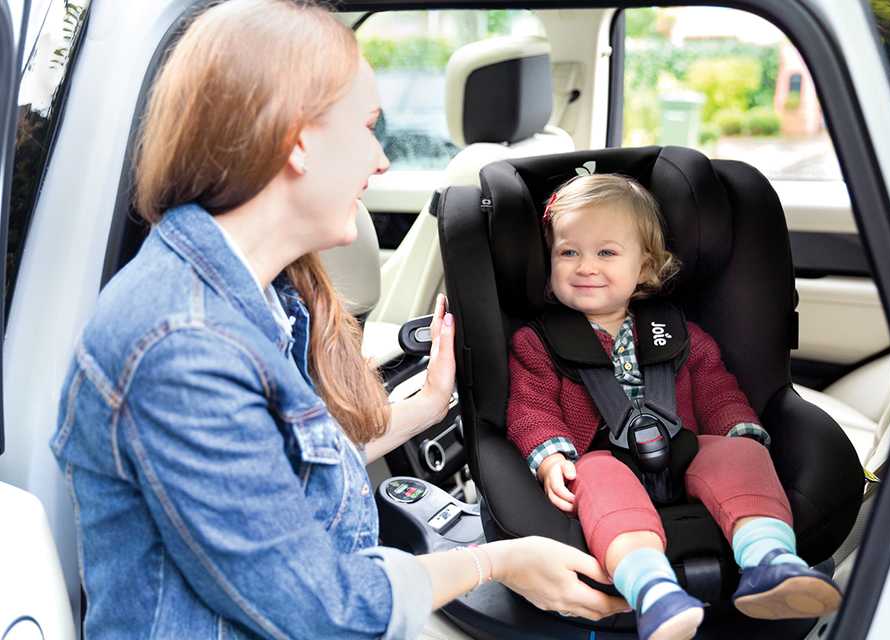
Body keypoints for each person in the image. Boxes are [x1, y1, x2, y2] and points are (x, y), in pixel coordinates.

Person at [48, 1, 630, 638]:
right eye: (368, 126)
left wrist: (431, 404)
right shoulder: (182, 345)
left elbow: (284, 474)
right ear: (298, 140)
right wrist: (497, 562)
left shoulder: (265, 300)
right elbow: (321, 608)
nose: (381, 160)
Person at [506, 174, 843, 640]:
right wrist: (551, 456)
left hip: (685, 448)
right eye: (569, 252)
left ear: (644, 267)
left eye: (606, 252)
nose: (585, 266)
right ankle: (655, 592)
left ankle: (770, 560)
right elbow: (530, 405)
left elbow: (716, 389)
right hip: (602, 457)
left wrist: (738, 428)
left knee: (740, 455)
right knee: (594, 475)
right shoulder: (537, 342)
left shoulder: (677, 333)